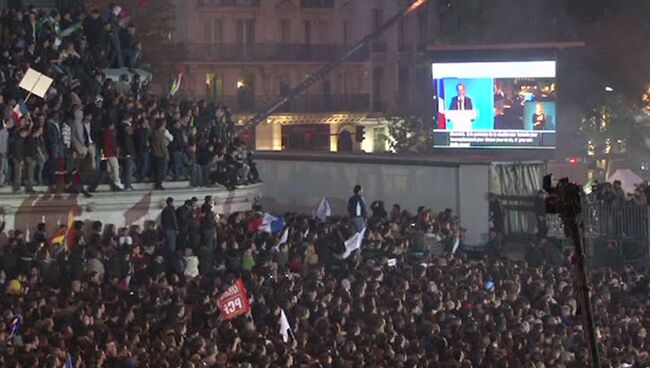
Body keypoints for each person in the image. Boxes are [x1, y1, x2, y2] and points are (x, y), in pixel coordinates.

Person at [151, 119, 169, 190]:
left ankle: (157, 183)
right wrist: (166, 154)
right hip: (161, 154)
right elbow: (163, 145)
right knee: (161, 170)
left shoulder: (154, 133)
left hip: (155, 153)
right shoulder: (160, 134)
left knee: (157, 169)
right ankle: (159, 184)